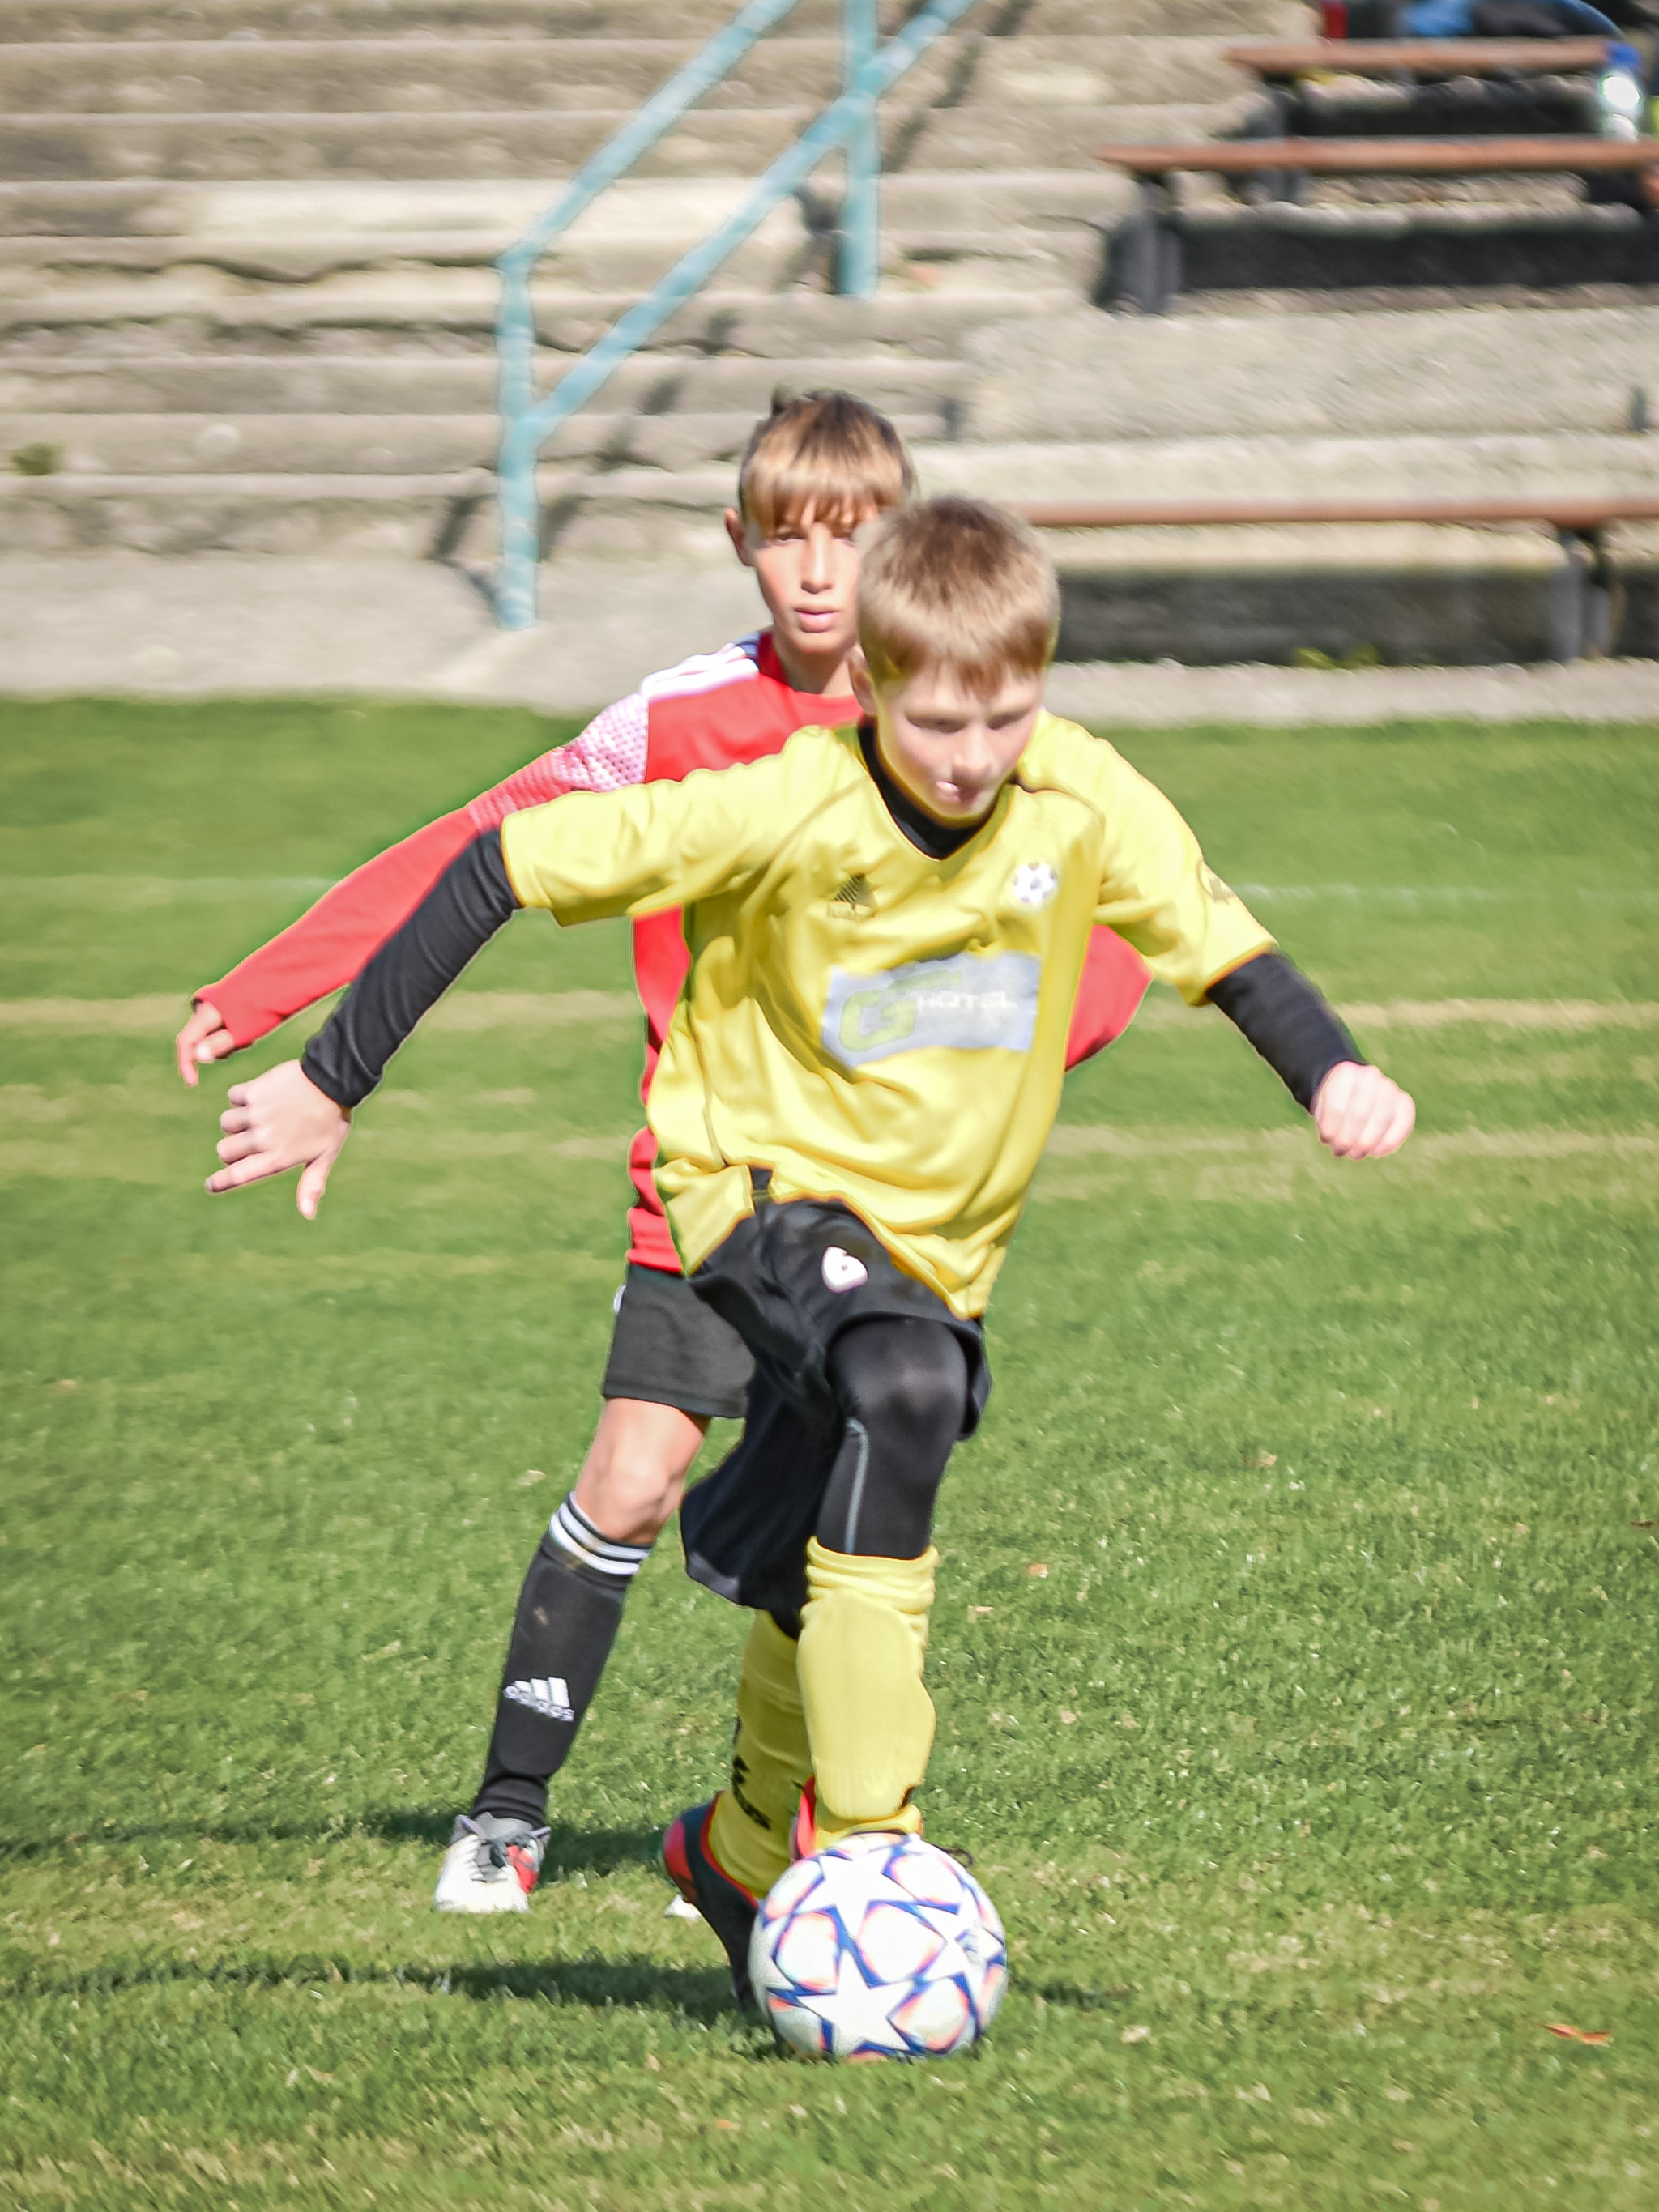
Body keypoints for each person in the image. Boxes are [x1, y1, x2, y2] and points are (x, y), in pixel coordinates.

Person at [197, 495, 1414, 2006]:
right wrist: (333, 1077)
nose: (973, 757)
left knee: (823, 1537)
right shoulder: (781, 801)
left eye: (1006, 718)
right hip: (751, 1190)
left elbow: (1224, 949)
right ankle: (874, 1846)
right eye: (939, 723)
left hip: (933, 1247)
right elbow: (503, 864)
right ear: (879, 687)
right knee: (906, 1390)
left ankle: (740, 1848)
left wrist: (1332, 1071)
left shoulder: (1081, 794)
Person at [177, 404, 1152, 1916]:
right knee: (634, 1482)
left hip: (897, 1213)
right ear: (739, 542)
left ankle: (791, 1845)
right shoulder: (676, 721)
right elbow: (479, 845)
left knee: (844, 1527)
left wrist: (987, 1049)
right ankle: (508, 1812)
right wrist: (277, 997)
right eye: (788, 537)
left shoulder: (968, 726)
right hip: (716, 1196)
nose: (819, 573)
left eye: (853, 538)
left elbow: (1111, 947)